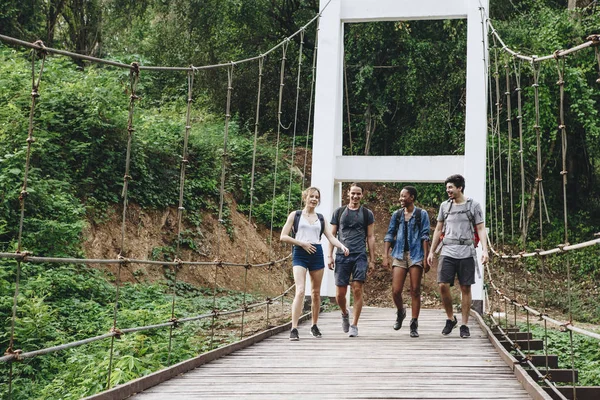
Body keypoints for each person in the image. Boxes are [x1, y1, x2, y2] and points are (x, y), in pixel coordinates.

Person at [281, 186, 349, 341]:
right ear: (305, 197)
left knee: (316, 293)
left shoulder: (321, 218)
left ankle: (314, 325)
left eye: (316, 197)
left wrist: (342, 246)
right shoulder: (296, 215)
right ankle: (294, 328)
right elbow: (283, 236)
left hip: (316, 253)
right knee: (300, 290)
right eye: (311, 196)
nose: (314, 199)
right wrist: (301, 244)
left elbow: (330, 237)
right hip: (300, 252)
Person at [427, 174, 489, 338]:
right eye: (447, 187)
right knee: (442, 285)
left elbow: (481, 229)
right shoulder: (444, 206)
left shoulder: (473, 206)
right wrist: (432, 251)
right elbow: (439, 229)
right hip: (447, 250)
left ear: (459, 187)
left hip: (466, 251)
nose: (448, 190)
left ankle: (464, 324)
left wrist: (485, 250)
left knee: (465, 288)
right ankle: (450, 318)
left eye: (450, 187)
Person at [327, 183, 375, 338]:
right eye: (353, 193)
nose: (355, 196)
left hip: (359, 255)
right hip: (342, 256)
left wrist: (372, 259)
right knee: (339, 294)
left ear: (362, 195)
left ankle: (354, 324)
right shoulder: (339, 212)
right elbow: (331, 235)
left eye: (358, 194)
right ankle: (344, 313)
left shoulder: (367, 214)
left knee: (357, 289)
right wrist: (330, 255)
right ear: (348, 194)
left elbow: (370, 236)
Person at [383, 186, 430, 337]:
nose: (401, 199)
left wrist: (425, 257)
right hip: (399, 254)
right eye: (400, 196)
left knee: (415, 290)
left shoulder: (421, 214)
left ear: (412, 198)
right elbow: (390, 234)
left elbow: (425, 236)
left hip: (416, 255)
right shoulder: (397, 215)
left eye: (404, 196)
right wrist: (385, 255)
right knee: (396, 290)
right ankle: (400, 311)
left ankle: (414, 323)